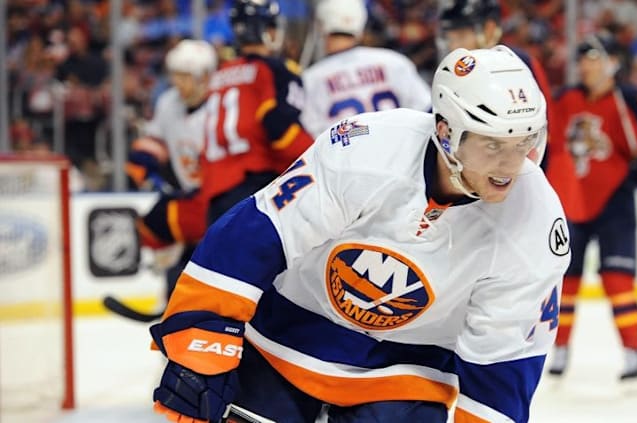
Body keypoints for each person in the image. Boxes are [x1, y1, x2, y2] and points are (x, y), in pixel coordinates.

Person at [149, 45, 570, 423]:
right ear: (446, 132)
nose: (511, 165)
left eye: (523, 142)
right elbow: (262, 230)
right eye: (493, 145)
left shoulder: (536, 223)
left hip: (409, 369)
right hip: (288, 333)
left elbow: (503, 364)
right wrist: (201, 331)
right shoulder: (367, 148)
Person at [547, 32, 637, 382]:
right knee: (565, 282)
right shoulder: (565, 98)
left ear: (612, 63)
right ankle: (560, 349)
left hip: (615, 201)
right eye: (582, 59)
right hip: (570, 200)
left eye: (593, 58)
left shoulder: (630, 100)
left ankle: (633, 353)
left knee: (618, 280)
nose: (584, 65)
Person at [436, 0, 582, 218]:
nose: (453, 44)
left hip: (536, 181)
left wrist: (530, 190)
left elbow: (536, 135)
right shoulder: (462, 76)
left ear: (488, 29)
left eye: (461, 35)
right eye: (450, 37)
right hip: (491, 184)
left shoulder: (512, 66)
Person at [125, 39, 217, 314]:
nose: (179, 83)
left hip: (221, 198)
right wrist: (144, 163)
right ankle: (175, 289)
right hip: (190, 194)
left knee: (168, 227)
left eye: (185, 76)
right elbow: (155, 139)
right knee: (152, 228)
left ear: (205, 76)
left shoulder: (222, 105)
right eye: (176, 75)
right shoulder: (168, 103)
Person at [200, 0, 313, 224]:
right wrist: (317, 157)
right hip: (256, 188)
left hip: (214, 194)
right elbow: (279, 129)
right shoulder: (274, 70)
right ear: (266, 30)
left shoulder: (220, 73)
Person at [299, 0, 432, 138]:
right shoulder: (394, 61)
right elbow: (427, 111)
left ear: (322, 25)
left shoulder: (311, 78)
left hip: (345, 156)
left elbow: (308, 136)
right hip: (398, 151)